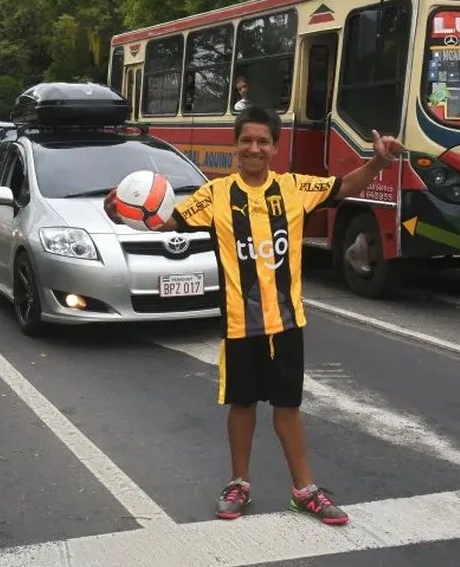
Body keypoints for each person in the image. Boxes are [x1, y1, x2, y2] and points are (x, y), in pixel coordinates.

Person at [103, 105, 403, 524]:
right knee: (241, 405)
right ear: (235, 146)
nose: (254, 148)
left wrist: (378, 161)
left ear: (276, 147)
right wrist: (122, 210)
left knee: (288, 408)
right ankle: (238, 483)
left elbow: (345, 185)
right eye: (246, 140)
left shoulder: (294, 188)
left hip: (287, 323)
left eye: (263, 141)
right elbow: (167, 220)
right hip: (241, 324)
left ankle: (305, 490)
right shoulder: (216, 194)